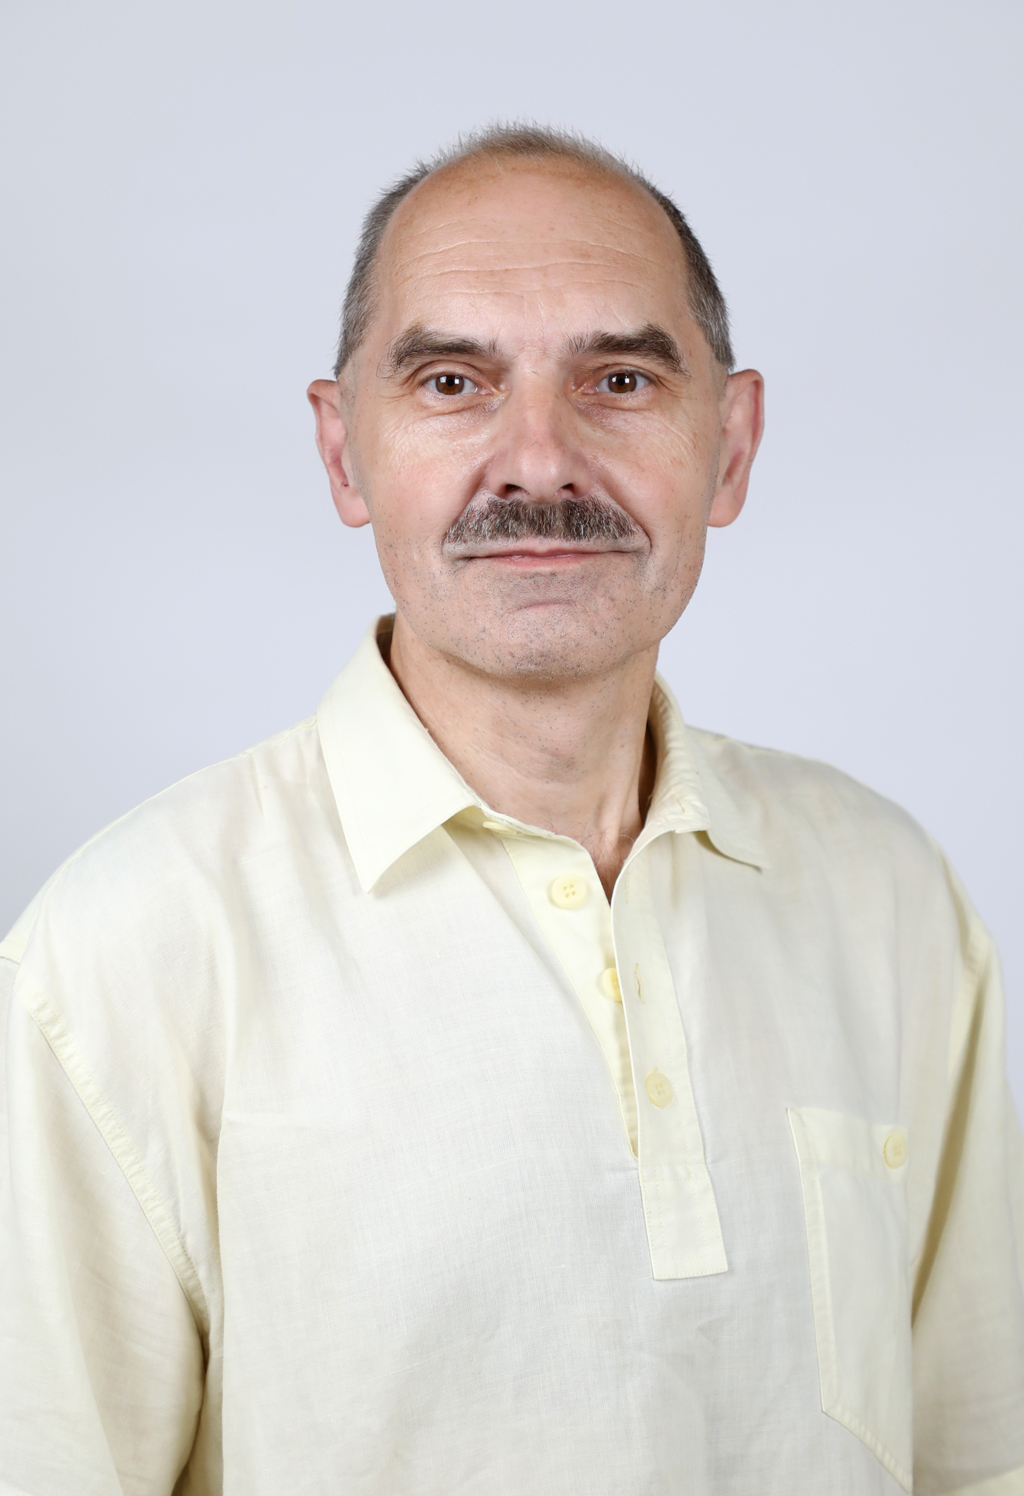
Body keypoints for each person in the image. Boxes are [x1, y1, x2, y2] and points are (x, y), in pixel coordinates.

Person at [1, 123, 1022, 1496]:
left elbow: (981, 1458)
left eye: (620, 379)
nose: (539, 462)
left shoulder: (887, 896)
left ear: (730, 447)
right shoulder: (121, 955)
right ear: (344, 453)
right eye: (451, 382)